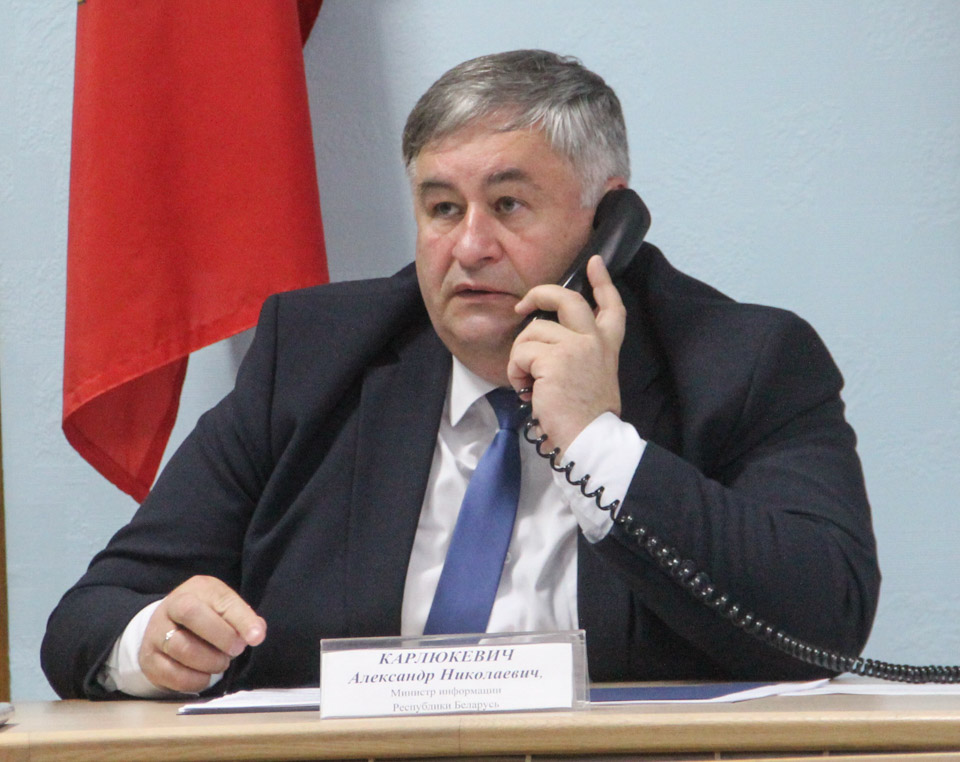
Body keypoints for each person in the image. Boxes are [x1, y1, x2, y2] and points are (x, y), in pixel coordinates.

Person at [42, 50, 880, 700]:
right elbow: (91, 615)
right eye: (443, 208)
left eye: (508, 205)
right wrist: (155, 642)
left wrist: (597, 441)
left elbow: (824, 621)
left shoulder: (745, 363)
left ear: (606, 219)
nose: (469, 246)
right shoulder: (315, 356)